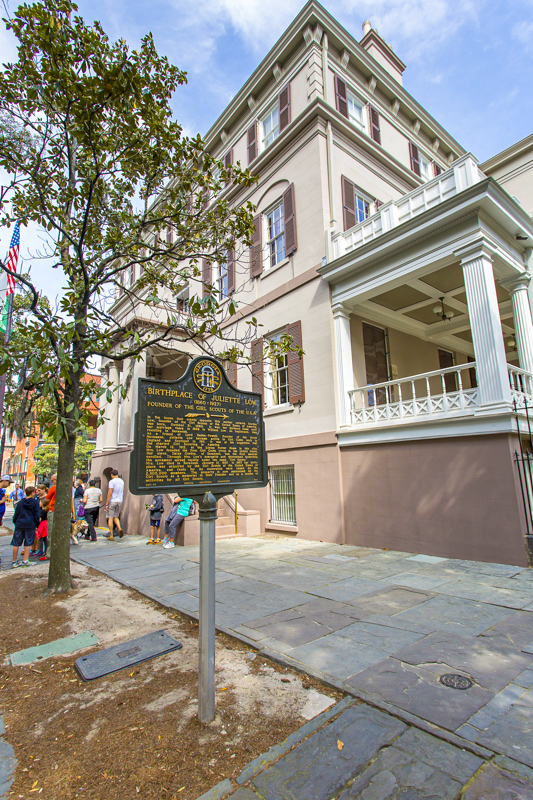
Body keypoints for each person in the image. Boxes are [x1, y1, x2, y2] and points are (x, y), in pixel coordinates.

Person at [11, 485, 40, 568]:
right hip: (30, 524)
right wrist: (36, 524)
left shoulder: (20, 502)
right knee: (28, 542)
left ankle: (14, 561)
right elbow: (36, 514)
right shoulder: (35, 503)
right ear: (32, 493)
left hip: (20, 524)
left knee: (16, 543)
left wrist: (15, 522)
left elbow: (16, 514)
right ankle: (25, 560)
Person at [105, 469, 124, 541]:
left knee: (110, 517)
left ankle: (111, 535)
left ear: (112, 475)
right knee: (116, 516)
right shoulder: (121, 481)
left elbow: (110, 492)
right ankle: (119, 528)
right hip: (120, 501)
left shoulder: (112, 482)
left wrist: (107, 503)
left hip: (113, 501)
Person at [46, 474, 57, 543]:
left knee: (51, 531)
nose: (52, 481)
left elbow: (47, 499)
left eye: (52, 480)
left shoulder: (54, 487)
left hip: (52, 510)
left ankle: (50, 552)